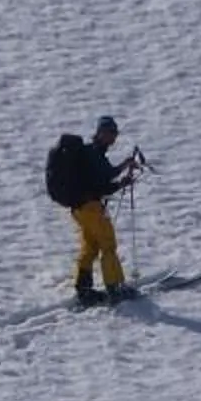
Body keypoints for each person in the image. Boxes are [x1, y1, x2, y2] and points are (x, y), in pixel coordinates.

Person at [45, 115, 145, 306]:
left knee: (90, 247)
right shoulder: (93, 154)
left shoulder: (91, 154)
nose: (113, 137)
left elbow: (101, 184)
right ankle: (115, 288)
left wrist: (122, 180)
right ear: (99, 133)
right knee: (108, 244)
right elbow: (104, 179)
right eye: (109, 132)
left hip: (79, 208)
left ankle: (83, 289)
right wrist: (124, 169)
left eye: (114, 133)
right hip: (90, 208)